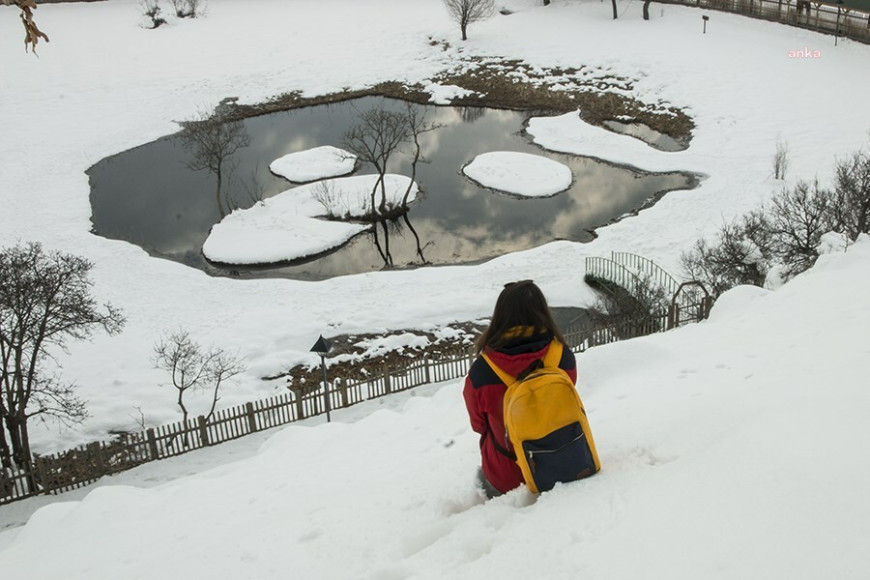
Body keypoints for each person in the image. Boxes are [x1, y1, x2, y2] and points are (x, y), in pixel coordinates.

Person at [463, 279, 577, 498]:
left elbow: (478, 426)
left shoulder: (482, 372)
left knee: (485, 476)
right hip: (564, 462)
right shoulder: (562, 357)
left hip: (507, 478)